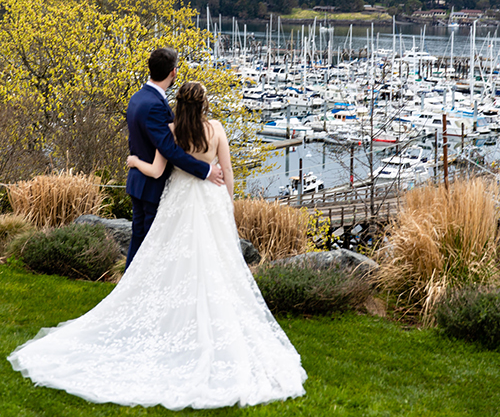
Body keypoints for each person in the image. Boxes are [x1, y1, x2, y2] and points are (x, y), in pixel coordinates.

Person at [7, 81, 307, 410]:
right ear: (204, 104)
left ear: (179, 104)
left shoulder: (171, 131)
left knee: (169, 261)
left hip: (178, 202)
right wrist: (228, 204)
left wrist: (134, 161)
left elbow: (156, 169)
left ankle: (176, 321)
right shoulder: (217, 129)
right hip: (211, 204)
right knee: (216, 265)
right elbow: (228, 172)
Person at [125, 47, 223, 269]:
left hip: (138, 181)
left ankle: (127, 287)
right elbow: (169, 149)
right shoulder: (154, 107)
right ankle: (140, 293)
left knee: (138, 240)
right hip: (152, 186)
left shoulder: (137, 98)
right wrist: (206, 170)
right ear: (174, 72)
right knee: (151, 246)